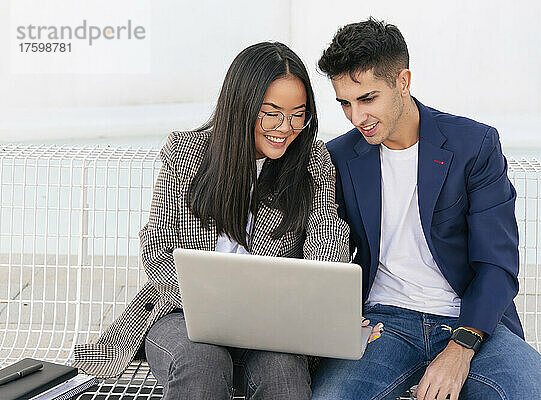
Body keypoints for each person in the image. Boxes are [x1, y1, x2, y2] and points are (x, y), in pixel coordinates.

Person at [72, 42, 356, 400]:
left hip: (274, 325)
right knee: (202, 363)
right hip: (183, 313)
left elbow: (326, 237)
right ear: (242, 105)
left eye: (298, 114)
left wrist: (324, 301)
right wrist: (211, 306)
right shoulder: (186, 154)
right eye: (271, 113)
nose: (286, 127)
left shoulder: (311, 159)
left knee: (283, 375)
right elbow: (158, 247)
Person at [311, 19, 541, 400]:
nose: (356, 117)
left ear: (403, 81)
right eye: (345, 103)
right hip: (383, 322)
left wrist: (461, 348)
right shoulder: (340, 157)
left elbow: (497, 265)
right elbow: (324, 249)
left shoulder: (473, 145)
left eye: (368, 99)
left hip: (471, 321)